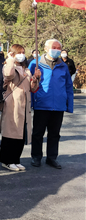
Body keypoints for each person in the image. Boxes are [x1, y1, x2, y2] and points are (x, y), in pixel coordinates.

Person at [28, 39, 74, 169]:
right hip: (42, 103)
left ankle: (52, 158)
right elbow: (29, 85)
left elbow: (68, 86)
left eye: (59, 48)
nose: (57, 50)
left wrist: (69, 105)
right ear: (46, 48)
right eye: (54, 47)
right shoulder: (35, 64)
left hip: (58, 105)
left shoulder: (63, 66)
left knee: (54, 134)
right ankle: (36, 157)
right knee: (38, 133)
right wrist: (31, 103)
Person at [0, 44, 40, 171]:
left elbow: (32, 88)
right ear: (12, 54)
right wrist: (10, 60)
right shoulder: (8, 66)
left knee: (21, 133)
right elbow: (9, 75)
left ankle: (16, 159)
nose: (21, 55)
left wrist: (36, 79)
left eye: (23, 52)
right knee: (11, 133)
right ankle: (6, 160)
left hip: (25, 105)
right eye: (18, 52)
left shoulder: (26, 70)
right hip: (13, 104)